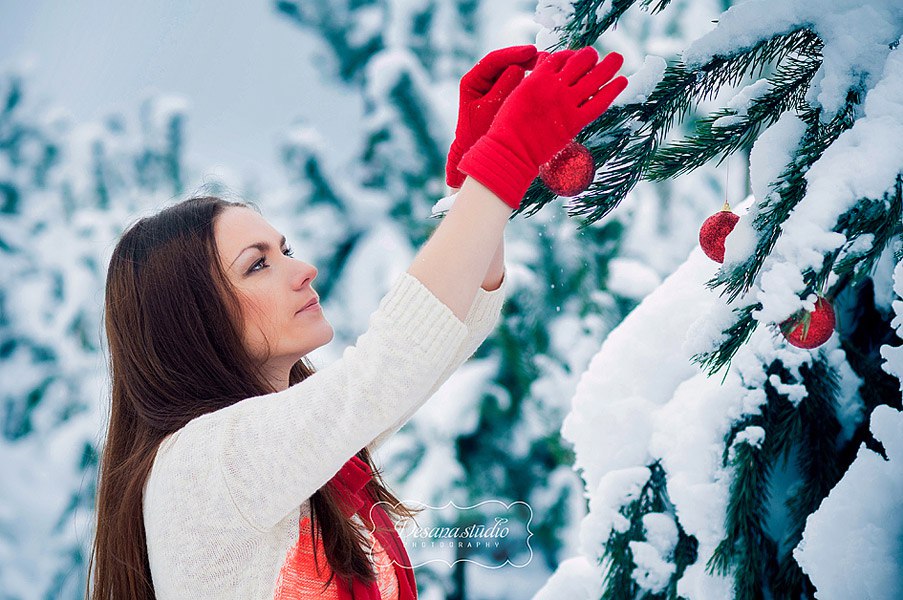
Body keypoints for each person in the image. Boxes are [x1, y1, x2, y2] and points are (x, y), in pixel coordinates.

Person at [86, 44, 627, 599]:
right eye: (258, 265)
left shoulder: (293, 452)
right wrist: (503, 161)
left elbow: (443, 339)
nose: (303, 270)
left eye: (285, 248)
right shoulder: (202, 466)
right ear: (190, 323)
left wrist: (474, 187)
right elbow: (389, 366)